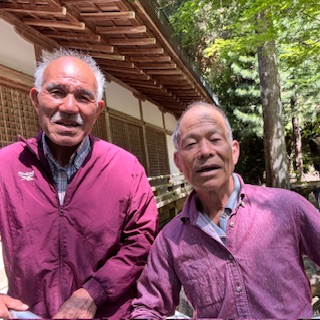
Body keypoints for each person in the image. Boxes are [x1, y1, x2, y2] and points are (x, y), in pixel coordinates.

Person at [0, 48, 158, 319]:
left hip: (108, 313)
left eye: (83, 97)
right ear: (36, 100)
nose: (69, 107)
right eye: (57, 92)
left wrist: (94, 292)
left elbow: (143, 240)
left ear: (97, 110)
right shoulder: (6, 165)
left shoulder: (125, 168)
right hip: (31, 314)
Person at [130, 101, 320, 319]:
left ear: (234, 151)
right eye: (191, 144)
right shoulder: (169, 241)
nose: (205, 151)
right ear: (179, 162)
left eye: (215, 139)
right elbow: (147, 308)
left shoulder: (286, 207)